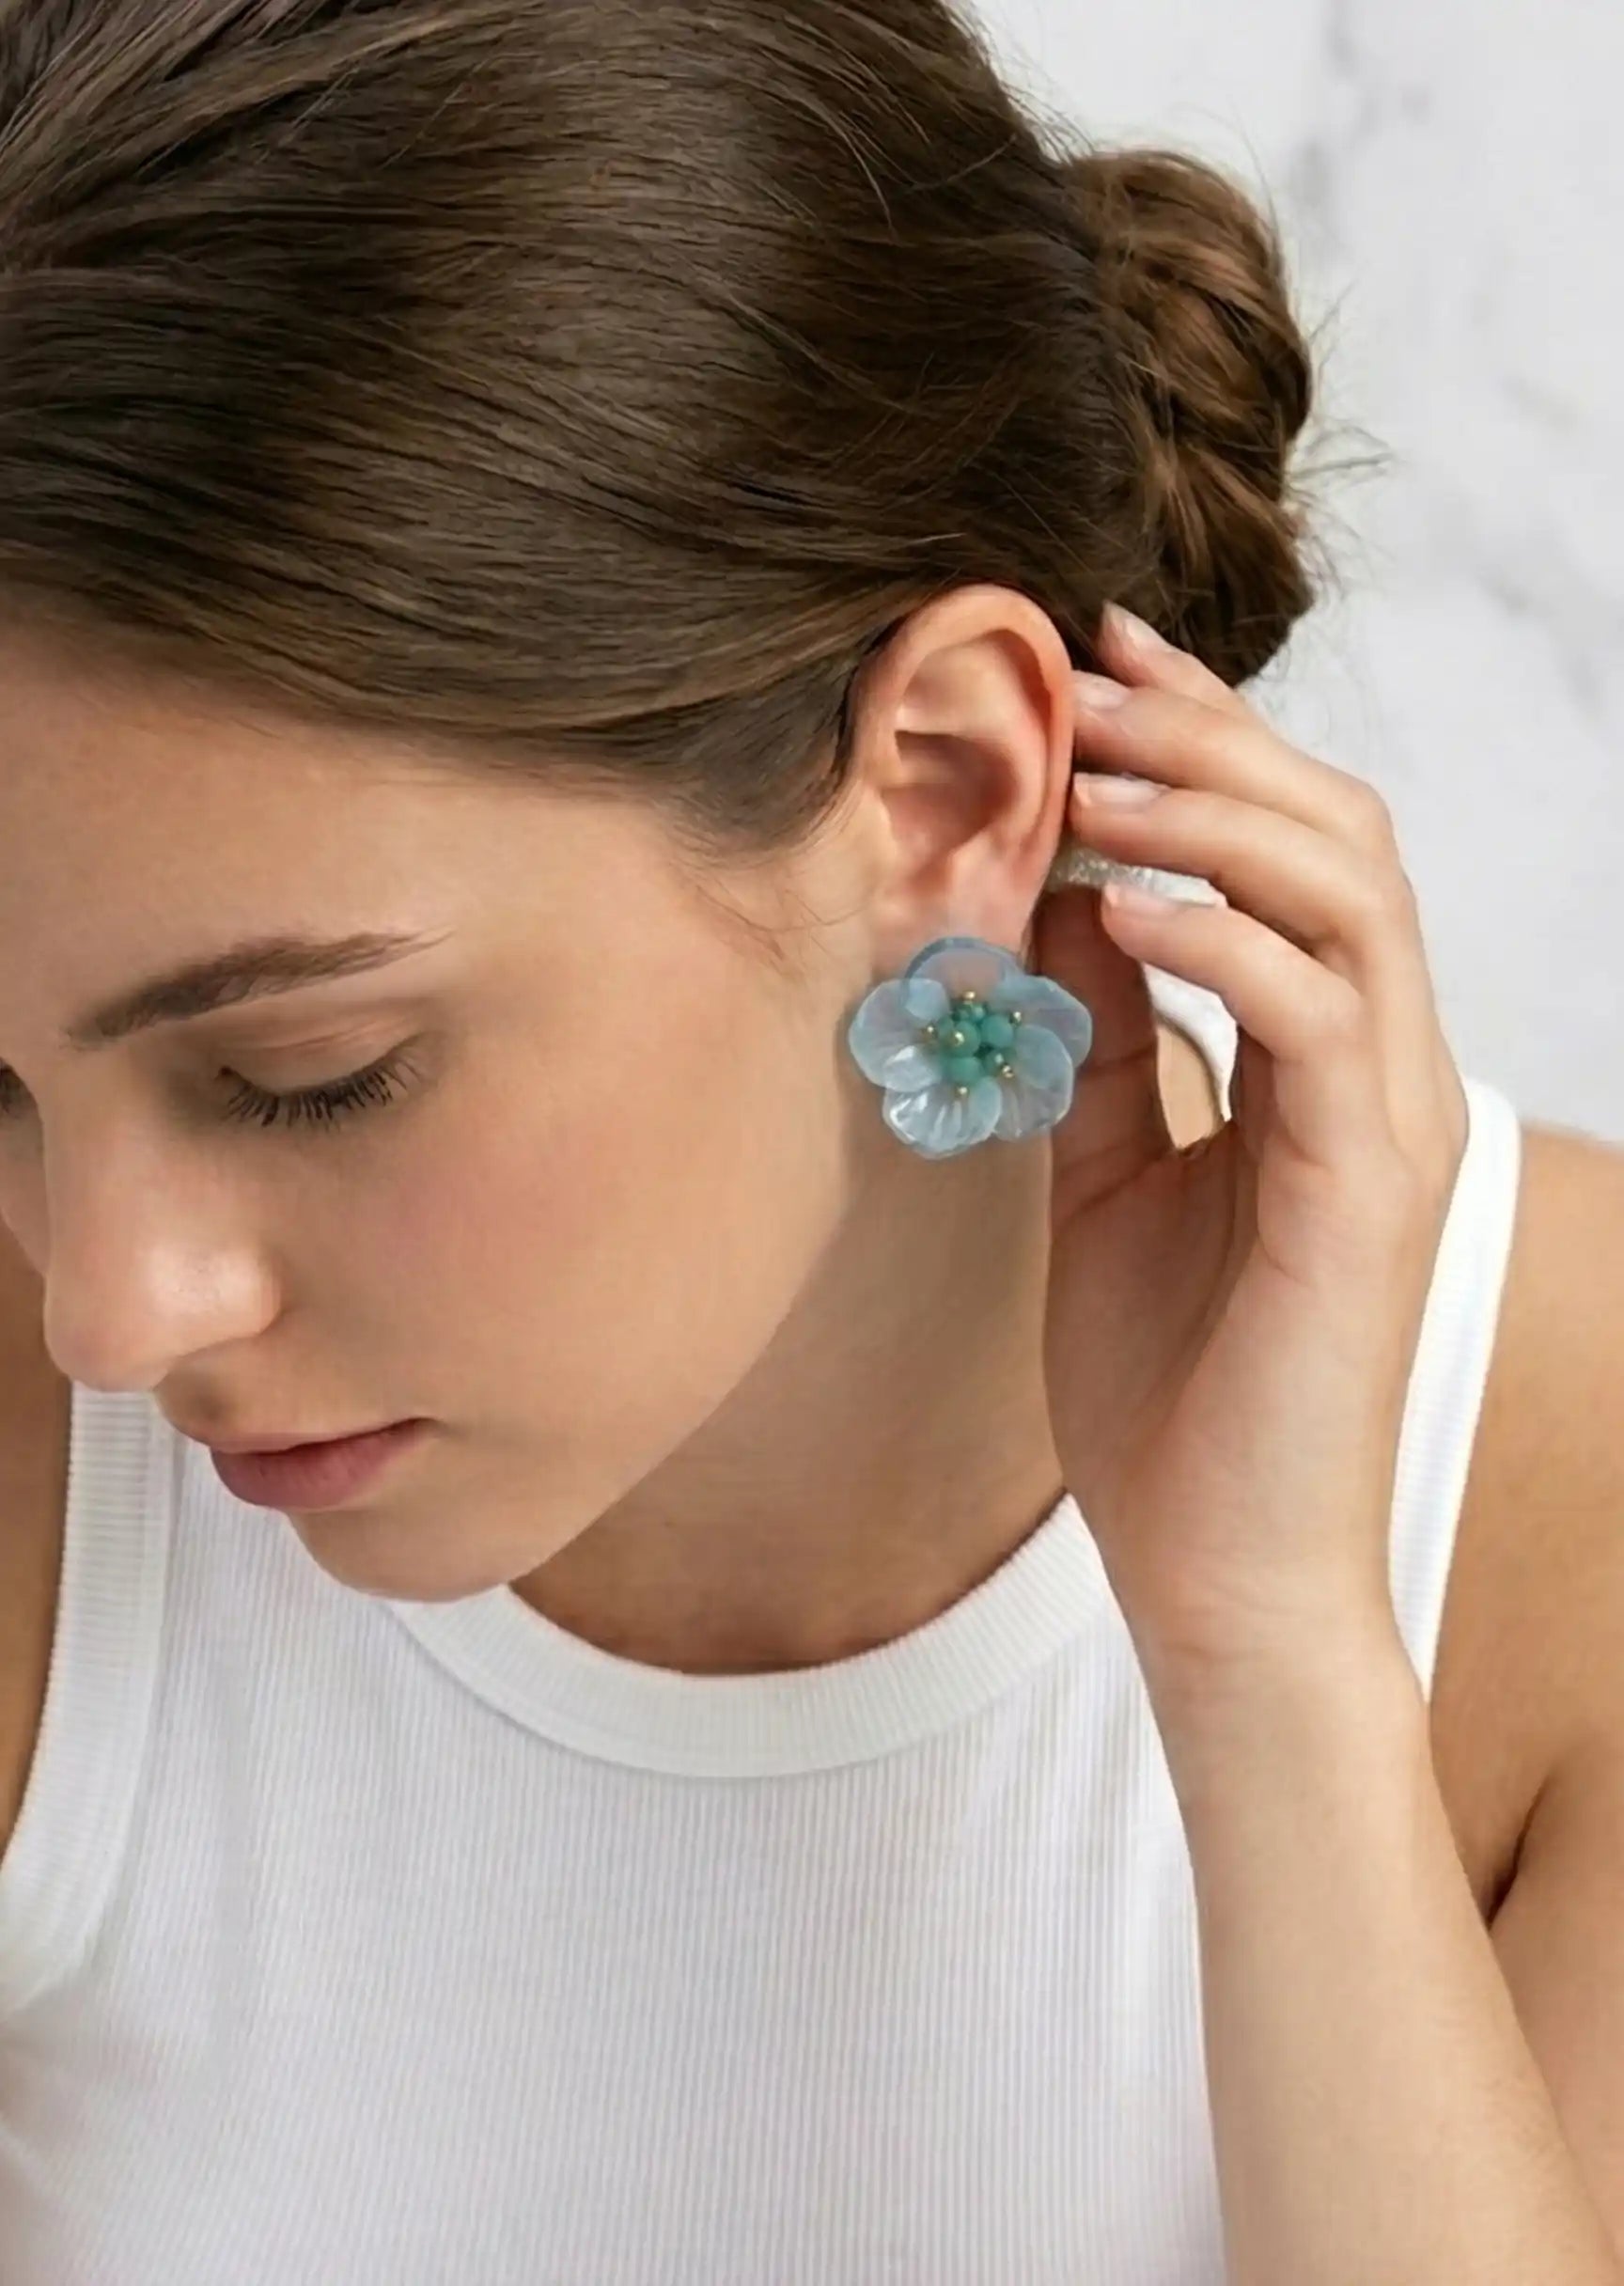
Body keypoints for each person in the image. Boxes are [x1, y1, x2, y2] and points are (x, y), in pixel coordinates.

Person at [0, 3, 1620, 2280]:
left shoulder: (1580, 1500)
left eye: (306, 1068)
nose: (105, 1306)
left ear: (950, 788)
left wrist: (1271, 1663)